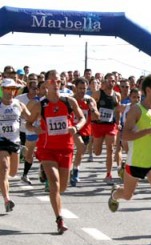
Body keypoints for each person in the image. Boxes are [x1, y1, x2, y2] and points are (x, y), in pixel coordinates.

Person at [107, 74, 151, 245]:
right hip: (136, 162)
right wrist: (148, 131)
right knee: (127, 195)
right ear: (148, 90)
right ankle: (114, 195)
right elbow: (125, 135)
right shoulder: (136, 110)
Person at [26, 71, 86, 233]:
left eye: (59, 80)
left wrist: (76, 127)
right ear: (46, 85)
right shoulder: (41, 105)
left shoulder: (69, 101)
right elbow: (29, 124)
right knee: (54, 182)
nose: (56, 83)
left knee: (63, 187)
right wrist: (35, 128)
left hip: (66, 149)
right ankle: (59, 219)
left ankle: (45, 174)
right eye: (52, 81)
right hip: (47, 149)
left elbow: (82, 119)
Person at [0, 78, 30, 212]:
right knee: (4, 169)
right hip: (1, 142)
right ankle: (7, 199)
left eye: (13, 89)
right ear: (2, 90)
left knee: (12, 173)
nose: (10, 92)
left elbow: (30, 118)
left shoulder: (18, 104)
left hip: (15, 141)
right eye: (7, 89)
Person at [91, 72, 121, 184]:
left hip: (111, 125)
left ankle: (108, 174)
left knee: (110, 149)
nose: (111, 83)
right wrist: (95, 112)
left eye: (113, 81)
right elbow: (91, 104)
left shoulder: (117, 95)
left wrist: (118, 122)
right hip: (98, 125)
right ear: (105, 81)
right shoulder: (98, 93)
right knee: (97, 152)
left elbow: (117, 110)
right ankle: (94, 145)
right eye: (109, 80)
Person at [70, 77, 99, 186]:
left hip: (86, 130)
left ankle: (74, 168)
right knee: (81, 147)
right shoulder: (70, 100)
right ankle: (75, 171)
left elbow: (97, 117)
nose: (82, 91)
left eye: (84, 88)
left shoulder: (90, 100)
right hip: (73, 128)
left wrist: (92, 108)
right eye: (80, 88)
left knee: (81, 151)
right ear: (75, 88)